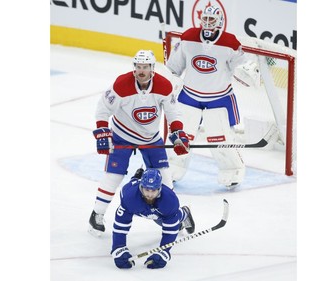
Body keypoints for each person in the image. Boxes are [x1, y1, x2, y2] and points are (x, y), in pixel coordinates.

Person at [89, 50, 190, 236]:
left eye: (145, 67)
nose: (141, 71)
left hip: (150, 138)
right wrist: (103, 133)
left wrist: (177, 133)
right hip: (122, 136)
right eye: (138, 67)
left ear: (152, 68)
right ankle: (97, 214)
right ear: (134, 68)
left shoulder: (164, 86)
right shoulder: (121, 84)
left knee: (165, 179)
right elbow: (102, 109)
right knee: (114, 176)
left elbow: (173, 112)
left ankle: (175, 214)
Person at [165, 5, 259, 189]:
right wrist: (171, 79)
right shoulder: (188, 37)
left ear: (220, 22)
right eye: (205, 19)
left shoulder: (230, 42)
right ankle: (174, 166)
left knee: (220, 137)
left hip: (219, 97)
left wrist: (248, 72)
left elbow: (245, 67)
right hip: (190, 95)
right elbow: (173, 67)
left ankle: (232, 170)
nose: (208, 23)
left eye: (212, 20)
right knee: (182, 134)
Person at [111, 168, 195, 269]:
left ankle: (186, 212)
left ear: (159, 188)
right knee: (162, 216)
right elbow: (121, 225)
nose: (150, 195)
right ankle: (137, 176)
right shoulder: (129, 196)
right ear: (141, 187)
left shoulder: (170, 200)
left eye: (153, 190)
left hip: (159, 211)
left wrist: (163, 252)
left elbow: (170, 231)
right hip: (139, 207)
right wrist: (118, 247)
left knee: (174, 219)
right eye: (147, 189)